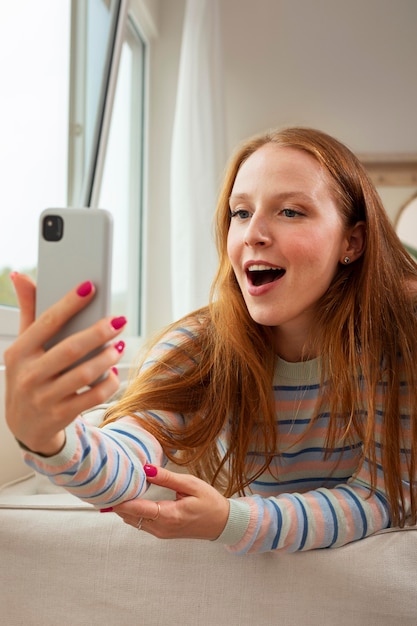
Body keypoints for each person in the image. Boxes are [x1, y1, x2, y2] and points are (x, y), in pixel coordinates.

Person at [5, 127, 417, 554]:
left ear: (352, 241)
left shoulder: (400, 339)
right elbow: (132, 462)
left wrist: (233, 520)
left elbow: (384, 495)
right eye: (240, 213)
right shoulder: (201, 345)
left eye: (291, 212)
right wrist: (49, 440)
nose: (252, 233)